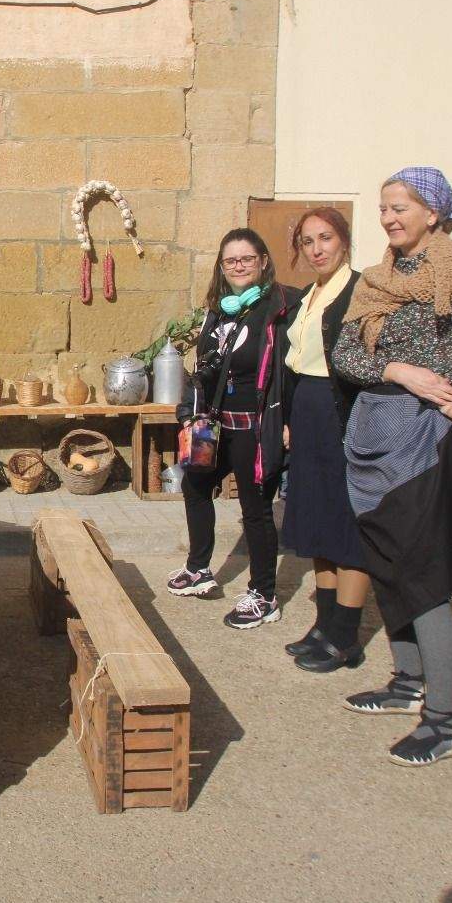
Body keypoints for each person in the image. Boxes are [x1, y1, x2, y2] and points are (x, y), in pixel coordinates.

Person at [329, 167, 452, 766]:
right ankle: (407, 681)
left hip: (428, 437)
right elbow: (344, 353)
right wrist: (397, 370)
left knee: (422, 571)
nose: (389, 218)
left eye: (401, 207)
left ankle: (442, 722)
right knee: (386, 563)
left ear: (433, 213)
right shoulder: (377, 280)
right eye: (384, 208)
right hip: (373, 433)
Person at [165, 228, 295, 630]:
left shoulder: (278, 309)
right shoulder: (220, 310)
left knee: (255, 509)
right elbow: (203, 370)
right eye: (230, 260)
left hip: (255, 427)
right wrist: (190, 411)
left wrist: (289, 421)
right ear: (222, 267)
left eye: (246, 259)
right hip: (217, 426)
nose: (239, 266)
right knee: (195, 484)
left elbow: (291, 371)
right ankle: (199, 569)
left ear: (263, 262)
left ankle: (264, 595)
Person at [276, 208, 373, 673]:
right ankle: (324, 624)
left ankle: (346, 635)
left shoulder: (360, 291)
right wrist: (289, 420)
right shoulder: (308, 294)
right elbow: (296, 362)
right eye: (308, 241)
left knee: (345, 523)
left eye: (326, 238)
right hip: (309, 411)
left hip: (342, 412)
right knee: (317, 518)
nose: (317, 249)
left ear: (344, 241)